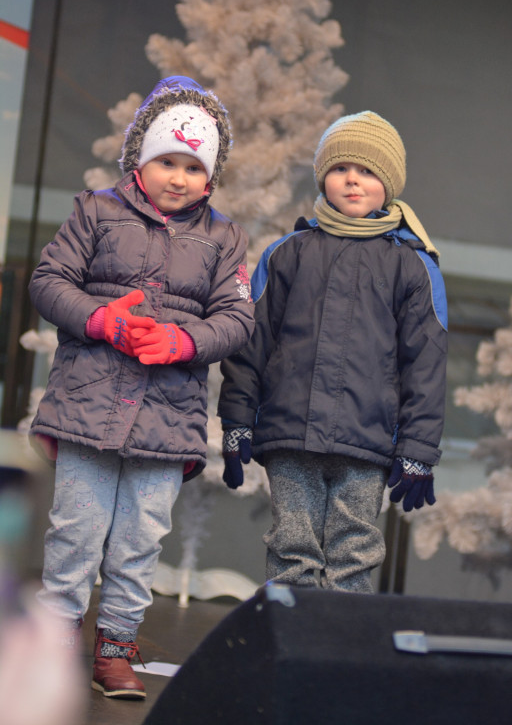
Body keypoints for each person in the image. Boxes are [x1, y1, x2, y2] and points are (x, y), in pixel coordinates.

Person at [28, 75, 254, 699]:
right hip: (88, 406)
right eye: (166, 162)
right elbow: (49, 282)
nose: (178, 178)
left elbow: (237, 318)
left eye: (193, 167)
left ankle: (116, 648)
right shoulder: (95, 211)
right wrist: (100, 319)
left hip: (167, 418)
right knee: (75, 531)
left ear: (210, 179)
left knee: (139, 538)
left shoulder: (224, 238)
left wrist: (183, 341)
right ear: (140, 161)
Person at [218, 110, 447, 593]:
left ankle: (340, 641)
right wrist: (237, 419)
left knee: (353, 554)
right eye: (341, 168)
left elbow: (425, 365)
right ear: (323, 176)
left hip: (368, 442)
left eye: (367, 171)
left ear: (389, 183)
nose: (353, 180)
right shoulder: (288, 252)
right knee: (291, 549)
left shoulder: (413, 265)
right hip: (291, 434)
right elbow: (251, 342)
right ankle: (288, 638)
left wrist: (418, 450)